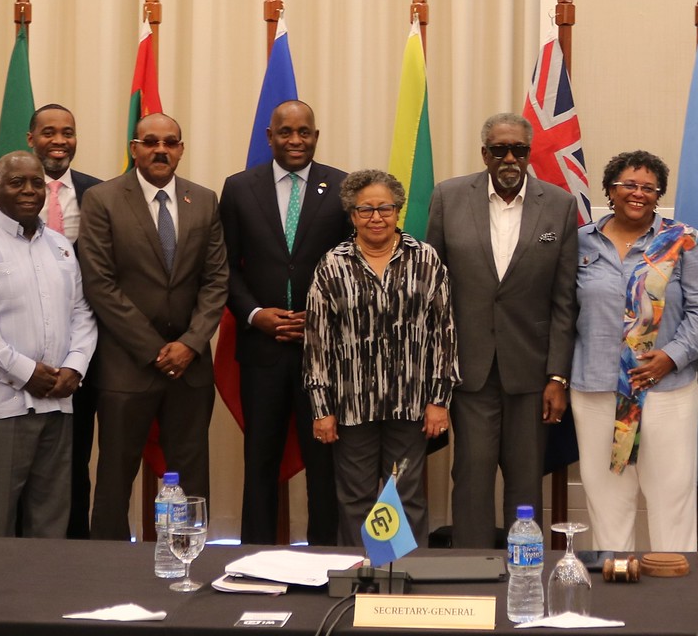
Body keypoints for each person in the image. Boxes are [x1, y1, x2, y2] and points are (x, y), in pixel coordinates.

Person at [424, 113, 580, 548]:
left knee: (526, 483)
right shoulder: (448, 197)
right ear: (484, 154)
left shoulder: (560, 204)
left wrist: (557, 376)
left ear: (530, 154)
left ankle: (523, 573)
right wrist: (437, 373)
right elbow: (432, 292)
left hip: (531, 373)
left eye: (519, 150)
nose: (509, 158)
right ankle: (470, 577)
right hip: (469, 370)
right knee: (471, 478)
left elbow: (565, 300)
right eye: (500, 150)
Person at [77, 113, 229, 541]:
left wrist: (190, 344)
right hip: (127, 366)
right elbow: (100, 283)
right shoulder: (103, 199)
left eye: (170, 142)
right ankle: (106, 570)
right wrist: (155, 350)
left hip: (190, 367)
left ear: (181, 148)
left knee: (191, 478)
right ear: (134, 148)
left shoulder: (203, 200)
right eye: (150, 142)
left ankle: (186, 557)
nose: (160, 149)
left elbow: (216, 281)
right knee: (114, 478)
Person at [0, 103, 105, 539]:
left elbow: (84, 305)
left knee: (58, 502)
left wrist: (75, 365)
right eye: (48, 132)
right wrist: (26, 372)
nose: (58, 140)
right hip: (2, 397)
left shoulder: (67, 233)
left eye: (68, 132)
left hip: (67, 386)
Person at [571, 150, 698, 553]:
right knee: (608, 500)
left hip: (666, 390)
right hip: (597, 389)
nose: (638, 194)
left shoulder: (682, 240)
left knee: (671, 498)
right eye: (628, 185)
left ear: (659, 196)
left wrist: (673, 356)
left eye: (648, 188)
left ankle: (676, 595)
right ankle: (617, 589)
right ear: (609, 192)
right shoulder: (579, 241)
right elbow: (561, 310)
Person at [305, 170, 457, 548]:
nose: (376, 217)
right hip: (352, 407)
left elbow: (445, 333)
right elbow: (317, 341)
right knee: (356, 499)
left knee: (406, 499)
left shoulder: (426, 259)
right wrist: (321, 408)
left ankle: (408, 580)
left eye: (385, 208)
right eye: (366, 209)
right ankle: (361, 580)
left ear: (398, 210)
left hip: (411, 407)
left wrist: (440, 401)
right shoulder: (332, 265)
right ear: (352, 215)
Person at [221, 100, 348, 545]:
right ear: (269, 137)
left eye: (305, 132)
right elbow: (226, 268)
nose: (296, 140)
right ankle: (254, 558)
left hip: (326, 354)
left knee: (324, 464)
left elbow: (353, 266)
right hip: (263, 351)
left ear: (316, 135)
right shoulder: (238, 188)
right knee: (260, 463)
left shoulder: (342, 187)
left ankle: (324, 559)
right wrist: (255, 315)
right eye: (286, 132)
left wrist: (322, 316)